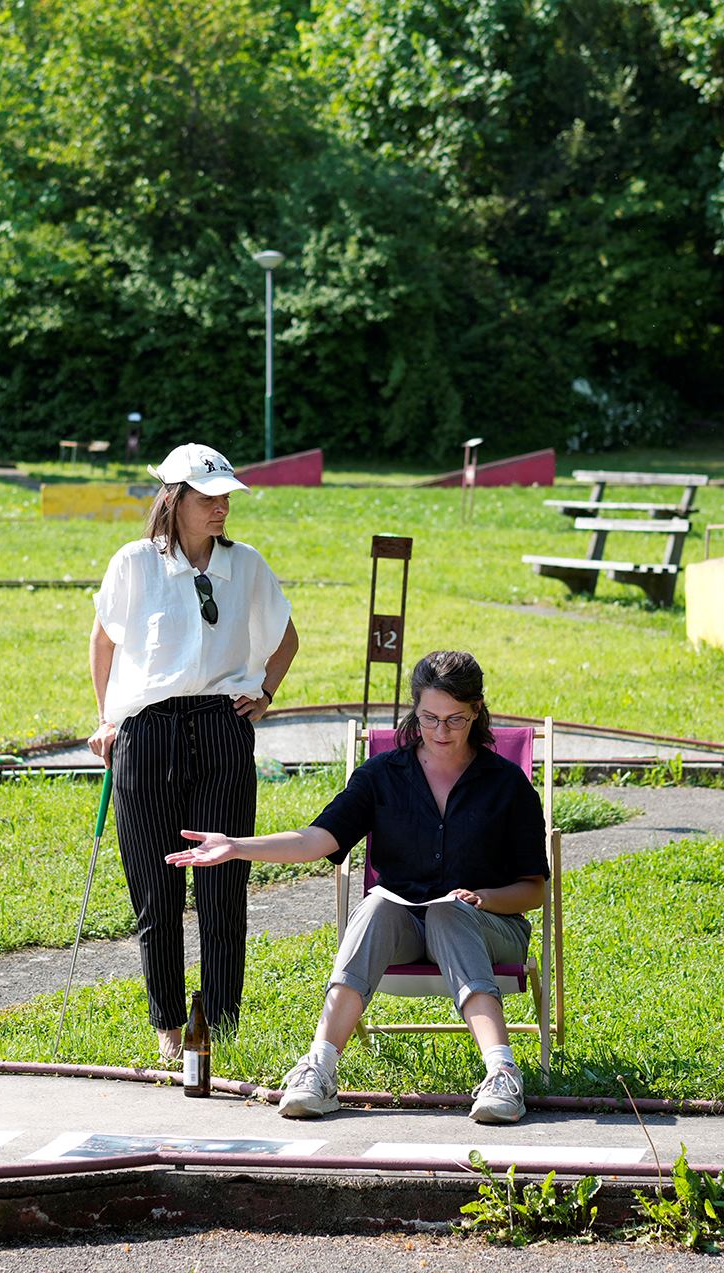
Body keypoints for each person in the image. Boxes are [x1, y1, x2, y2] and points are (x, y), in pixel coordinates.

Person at [166, 650, 546, 1125]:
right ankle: (319, 1069)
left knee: (449, 913)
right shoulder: (383, 775)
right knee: (375, 906)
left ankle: (502, 1073)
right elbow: (315, 839)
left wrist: (482, 899)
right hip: (403, 927)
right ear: (414, 709)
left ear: (477, 710)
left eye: (455, 719)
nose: (441, 731)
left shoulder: (507, 784)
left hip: (489, 927)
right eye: (429, 718)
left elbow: (533, 890)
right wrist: (237, 846)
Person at [89, 442, 300, 1064]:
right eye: (208, 497)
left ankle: (222, 1024)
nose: (221, 507)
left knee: (222, 887)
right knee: (155, 890)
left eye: (226, 496)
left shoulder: (247, 564)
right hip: (147, 732)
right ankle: (168, 1023)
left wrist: (264, 693)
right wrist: (107, 719)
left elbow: (286, 638)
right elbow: (103, 641)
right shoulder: (135, 562)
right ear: (175, 499)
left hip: (220, 730)